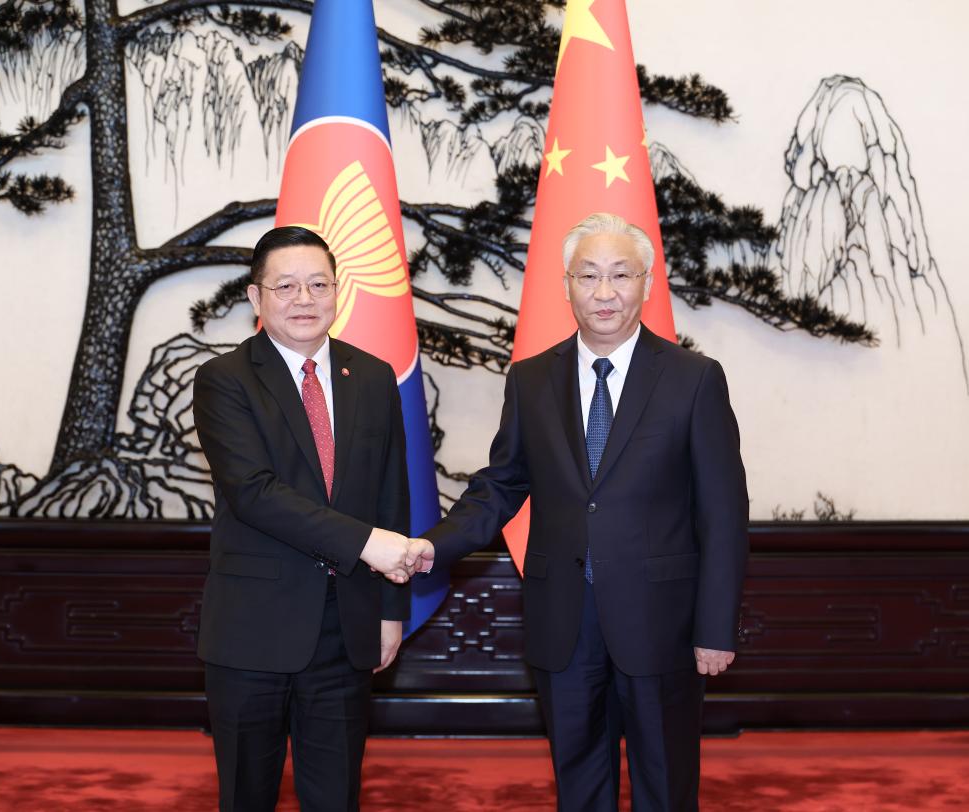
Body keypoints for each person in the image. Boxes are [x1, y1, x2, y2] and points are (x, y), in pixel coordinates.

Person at [423, 213, 749, 811]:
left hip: (662, 622)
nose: (604, 292)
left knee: (666, 784)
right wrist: (432, 546)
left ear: (647, 283)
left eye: (621, 275)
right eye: (588, 275)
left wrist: (715, 627)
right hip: (564, 621)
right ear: (566, 285)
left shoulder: (694, 379)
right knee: (578, 787)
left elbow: (723, 514)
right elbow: (501, 485)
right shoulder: (530, 379)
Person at [193, 225, 434, 812]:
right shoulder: (225, 379)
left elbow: (392, 493)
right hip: (253, 630)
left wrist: (391, 610)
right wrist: (367, 544)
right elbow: (254, 493)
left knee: (336, 796)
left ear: (337, 292)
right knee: (247, 795)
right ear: (256, 297)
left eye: (318, 285)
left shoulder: (373, 376)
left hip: (347, 628)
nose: (304, 299)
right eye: (286, 286)